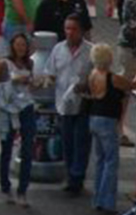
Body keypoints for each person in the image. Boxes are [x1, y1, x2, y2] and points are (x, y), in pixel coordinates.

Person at [85, 43, 136, 213]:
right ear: (109, 58)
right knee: (111, 162)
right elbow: (133, 84)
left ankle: (97, 198)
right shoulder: (112, 77)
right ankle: (106, 201)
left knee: (99, 160)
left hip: (94, 117)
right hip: (107, 120)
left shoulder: (93, 74)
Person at [40, 16, 93, 196]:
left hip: (83, 103)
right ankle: (71, 176)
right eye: (67, 28)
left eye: (73, 29)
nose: (69, 32)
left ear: (81, 31)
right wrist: (48, 80)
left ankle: (77, 177)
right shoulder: (58, 49)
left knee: (82, 142)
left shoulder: (90, 51)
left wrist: (86, 86)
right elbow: (50, 72)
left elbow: (99, 78)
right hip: (63, 104)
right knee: (67, 143)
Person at [0, 32, 36, 204]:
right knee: (6, 148)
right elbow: (0, 87)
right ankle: (5, 186)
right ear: (12, 46)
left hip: (26, 106)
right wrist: (15, 79)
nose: (20, 48)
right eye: (17, 45)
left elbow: (31, 85)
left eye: (23, 45)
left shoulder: (30, 63)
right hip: (9, 109)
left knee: (27, 149)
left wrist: (35, 83)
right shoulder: (4, 64)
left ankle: (22, 190)